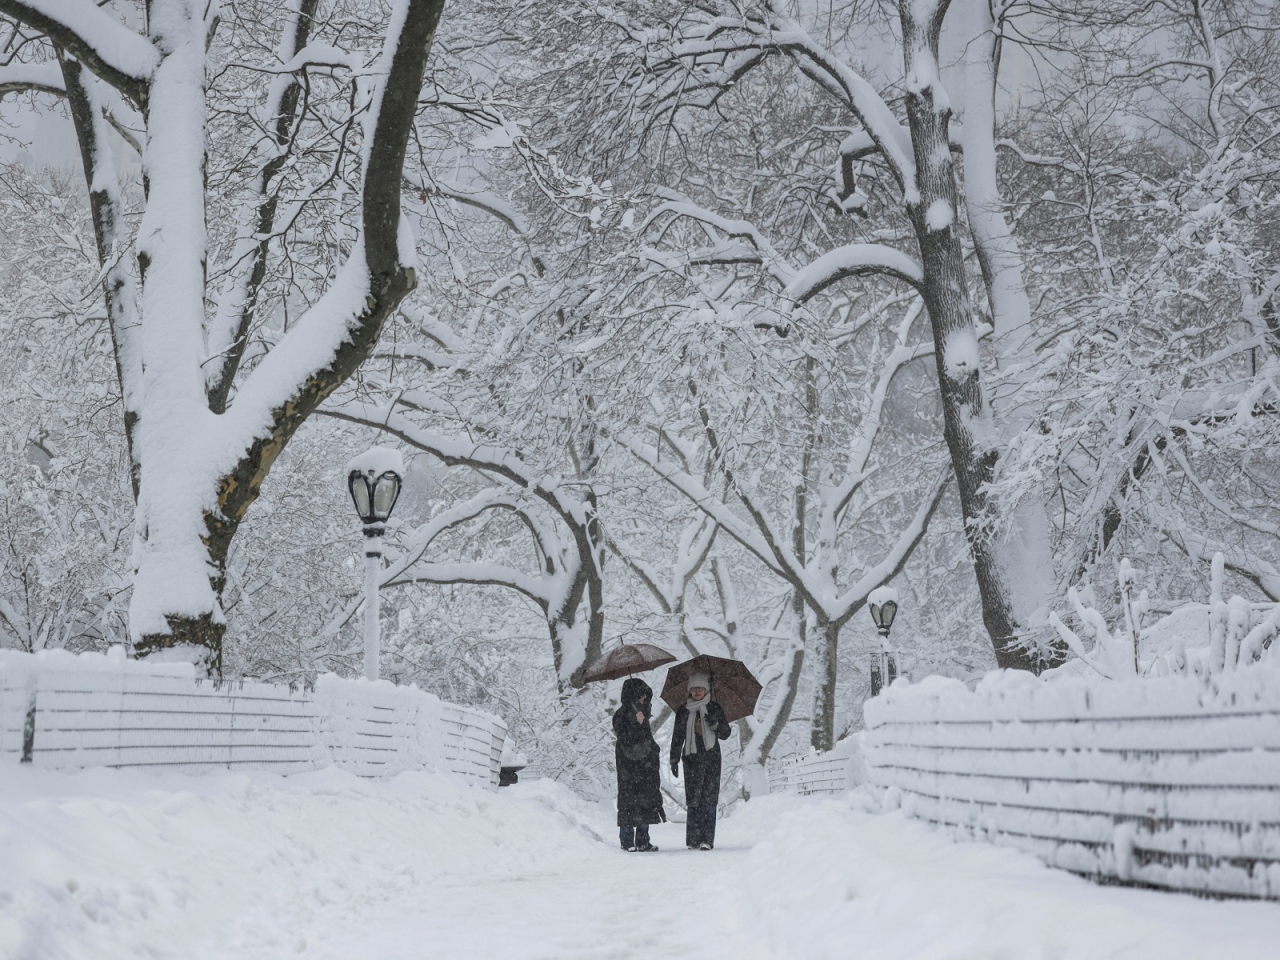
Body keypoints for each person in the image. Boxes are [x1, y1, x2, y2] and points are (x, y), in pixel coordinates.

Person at [669, 672, 731, 850]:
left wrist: (715, 724)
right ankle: (693, 840)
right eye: (694, 688)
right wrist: (673, 759)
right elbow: (677, 736)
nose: (697, 692)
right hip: (691, 760)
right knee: (693, 799)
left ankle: (707, 840)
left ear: (707, 689)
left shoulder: (715, 708)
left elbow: (726, 733)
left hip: (712, 759)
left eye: (701, 688)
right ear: (690, 690)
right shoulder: (683, 710)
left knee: (709, 799)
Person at [612, 677, 665, 851]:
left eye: (645, 696)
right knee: (628, 800)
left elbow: (646, 739)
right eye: (641, 696)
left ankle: (643, 840)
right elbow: (625, 738)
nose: (644, 699)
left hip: (645, 765)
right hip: (628, 765)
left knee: (645, 800)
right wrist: (637, 723)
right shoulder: (621, 715)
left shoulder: (644, 712)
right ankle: (627, 841)